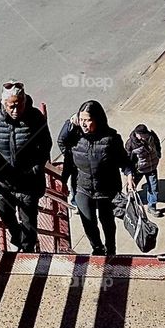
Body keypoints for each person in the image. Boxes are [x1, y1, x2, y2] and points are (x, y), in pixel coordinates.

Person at [0, 81, 52, 253]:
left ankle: (28, 252)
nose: (15, 110)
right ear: (3, 103)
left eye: (19, 105)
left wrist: (35, 167)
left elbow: (46, 144)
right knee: (5, 214)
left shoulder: (35, 117)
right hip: (4, 180)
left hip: (28, 182)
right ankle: (16, 237)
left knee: (29, 221)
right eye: (11, 106)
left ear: (25, 101)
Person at [59, 100, 135, 256]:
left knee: (107, 221)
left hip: (106, 189)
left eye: (88, 120)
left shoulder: (111, 139)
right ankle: (97, 248)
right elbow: (62, 141)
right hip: (82, 187)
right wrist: (70, 122)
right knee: (88, 222)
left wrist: (129, 175)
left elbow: (124, 160)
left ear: (98, 119)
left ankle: (111, 248)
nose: (84, 124)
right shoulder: (75, 137)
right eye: (82, 120)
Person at [125, 123, 163, 218]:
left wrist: (158, 154)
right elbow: (127, 160)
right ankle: (130, 201)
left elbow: (157, 144)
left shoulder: (152, 137)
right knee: (132, 187)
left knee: (153, 188)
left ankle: (152, 206)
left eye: (144, 136)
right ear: (136, 134)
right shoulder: (131, 144)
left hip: (151, 167)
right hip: (138, 169)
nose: (142, 138)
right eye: (140, 136)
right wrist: (130, 175)